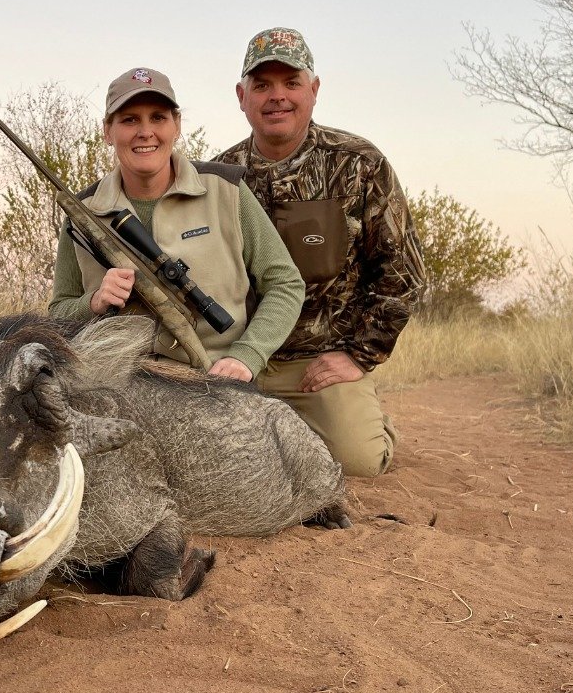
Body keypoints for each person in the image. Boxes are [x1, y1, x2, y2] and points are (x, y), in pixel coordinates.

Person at [212, 28, 426, 477]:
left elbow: (403, 273)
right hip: (237, 359)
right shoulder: (216, 178)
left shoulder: (360, 163)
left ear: (314, 90)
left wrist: (358, 356)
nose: (277, 97)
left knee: (359, 464)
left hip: (318, 363)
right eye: (262, 85)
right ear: (241, 95)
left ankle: (365, 422)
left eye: (291, 83)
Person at [49, 67, 304, 383]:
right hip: (113, 384)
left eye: (158, 118)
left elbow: (285, 284)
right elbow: (58, 313)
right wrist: (95, 301)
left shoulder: (227, 190)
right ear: (107, 131)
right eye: (129, 120)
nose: (145, 132)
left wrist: (246, 357)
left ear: (177, 125)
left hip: (212, 380)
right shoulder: (82, 213)